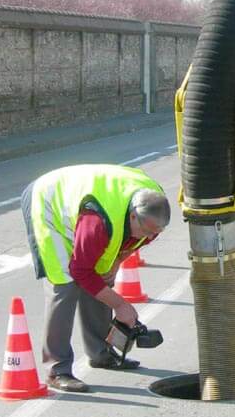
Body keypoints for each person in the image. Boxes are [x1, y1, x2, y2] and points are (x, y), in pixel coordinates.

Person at [21, 164, 171, 393]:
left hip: (92, 209)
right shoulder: (98, 222)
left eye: (156, 233)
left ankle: (101, 353)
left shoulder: (153, 208)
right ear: (132, 216)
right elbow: (81, 270)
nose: (151, 237)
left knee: (102, 276)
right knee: (65, 284)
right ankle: (57, 369)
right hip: (49, 203)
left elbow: (140, 238)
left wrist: (118, 259)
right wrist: (121, 304)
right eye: (148, 231)